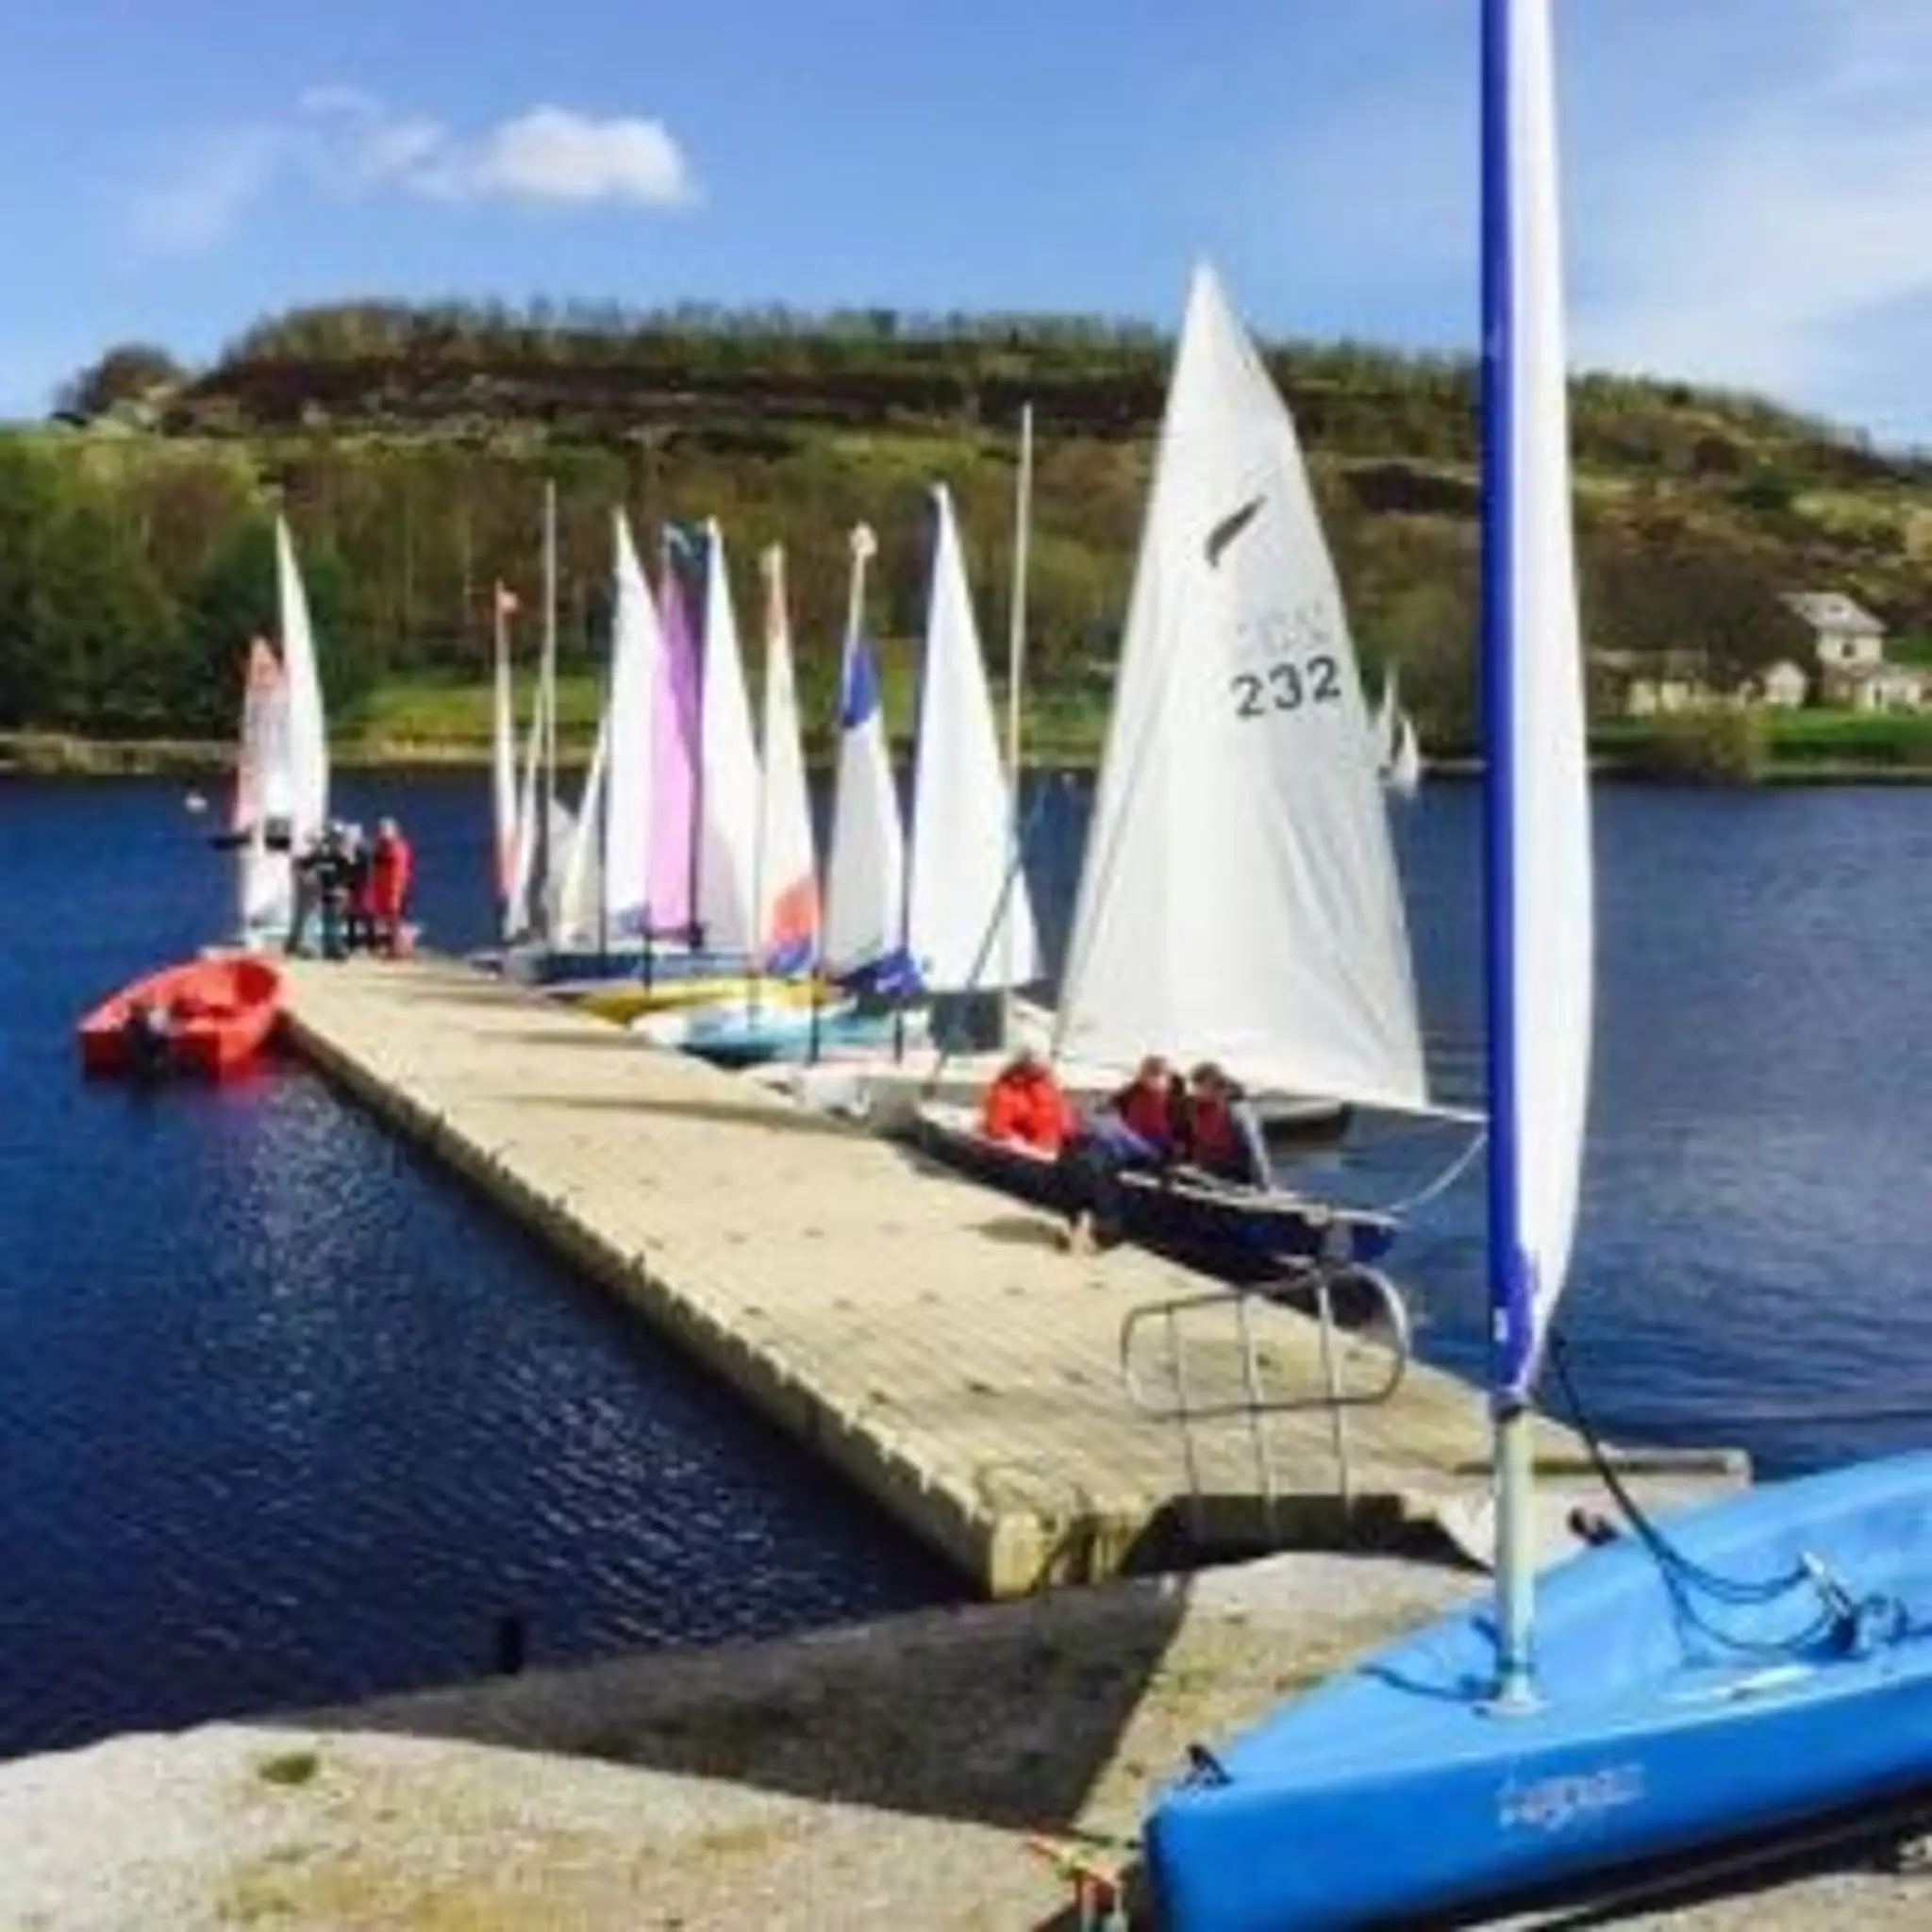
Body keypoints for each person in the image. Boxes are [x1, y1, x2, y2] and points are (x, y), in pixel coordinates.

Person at [1056, 1055, 1178, 1255]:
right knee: (1096, 1186)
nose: (1157, 1080)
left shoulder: (1173, 1098)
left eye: (1160, 1075)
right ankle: (1094, 1234)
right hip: (1112, 1151)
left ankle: (1081, 1229)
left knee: (1086, 1181)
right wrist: (1160, 1161)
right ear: (1143, 1074)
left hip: (1115, 1148)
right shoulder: (1127, 1097)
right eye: (1152, 1074)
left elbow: (1169, 1133)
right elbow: (1126, 1135)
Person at [1175, 1061, 1271, 1189]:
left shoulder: (1236, 1110)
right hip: (1204, 1164)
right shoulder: (1193, 1107)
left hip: (1231, 1167)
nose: (1196, 1091)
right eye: (1195, 1086)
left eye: (1200, 1086)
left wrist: (1261, 1184)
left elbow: (1254, 1148)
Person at [977, 1048, 1075, 1156]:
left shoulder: (1048, 1086)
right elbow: (998, 1128)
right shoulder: (1008, 1091)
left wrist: (1065, 1137)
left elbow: (1063, 1116)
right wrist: (1027, 1146)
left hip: (1056, 1147)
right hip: (1028, 1152)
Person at [368, 816, 414, 958]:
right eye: (381, 830)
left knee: (397, 920)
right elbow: (375, 871)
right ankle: (390, 948)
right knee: (384, 921)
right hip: (381, 890)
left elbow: (398, 873)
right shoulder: (378, 848)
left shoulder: (399, 848)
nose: (383, 833)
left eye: (386, 830)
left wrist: (396, 894)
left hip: (396, 891)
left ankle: (400, 950)